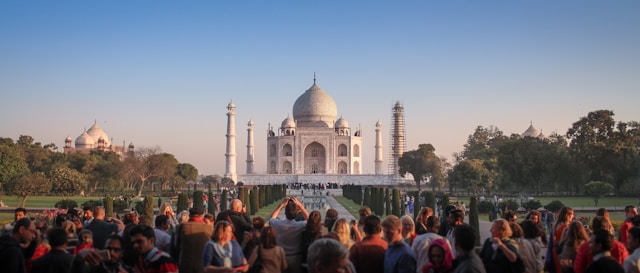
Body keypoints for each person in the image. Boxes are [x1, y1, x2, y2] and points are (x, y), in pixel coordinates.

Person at [269, 197, 309, 273]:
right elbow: (310, 220)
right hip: (296, 258)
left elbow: (272, 218)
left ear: (285, 213)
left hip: (281, 257)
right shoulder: (300, 225)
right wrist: (300, 206)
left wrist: (280, 206)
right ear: (296, 213)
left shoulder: (278, 224)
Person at [172, 206, 213, 273]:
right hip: (203, 266)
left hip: (185, 266)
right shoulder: (209, 228)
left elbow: (175, 248)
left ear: (190, 215)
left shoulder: (180, 227)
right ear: (202, 216)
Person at [70, 234, 135, 273]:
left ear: (122, 252)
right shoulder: (92, 268)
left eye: (116, 250)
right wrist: (79, 258)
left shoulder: (129, 270)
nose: (111, 253)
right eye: (108, 249)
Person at [552, 207, 575, 273]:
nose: (573, 216)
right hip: (564, 251)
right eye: (572, 214)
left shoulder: (556, 224)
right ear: (567, 215)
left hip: (556, 250)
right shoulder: (567, 227)